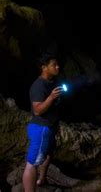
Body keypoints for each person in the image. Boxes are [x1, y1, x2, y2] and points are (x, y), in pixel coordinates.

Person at [22, 54, 64, 192]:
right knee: (32, 163)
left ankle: (42, 179)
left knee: (47, 154)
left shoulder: (53, 81)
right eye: (54, 65)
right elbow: (38, 110)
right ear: (44, 67)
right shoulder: (38, 85)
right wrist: (51, 97)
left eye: (57, 64)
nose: (57, 67)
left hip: (50, 127)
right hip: (41, 128)